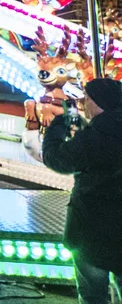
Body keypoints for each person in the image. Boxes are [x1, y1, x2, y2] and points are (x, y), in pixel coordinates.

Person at [43, 78, 122, 303]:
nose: (84, 102)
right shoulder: (101, 132)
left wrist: (58, 124)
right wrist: (73, 115)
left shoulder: (94, 138)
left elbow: (57, 159)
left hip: (91, 232)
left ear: (98, 103)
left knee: (92, 295)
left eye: (87, 98)